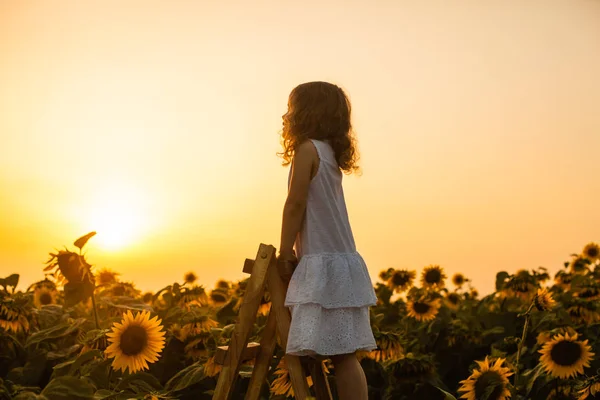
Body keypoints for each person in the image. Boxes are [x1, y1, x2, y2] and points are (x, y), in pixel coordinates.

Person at [276, 81, 377, 400]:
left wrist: (283, 251)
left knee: (342, 355)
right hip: (341, 259)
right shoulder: (329, 152)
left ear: (306, 114)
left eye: (291, 109)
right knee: (345, 355)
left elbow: (295, 203)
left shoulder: (307, 149)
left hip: (323, 262)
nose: (286, 115)